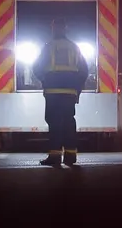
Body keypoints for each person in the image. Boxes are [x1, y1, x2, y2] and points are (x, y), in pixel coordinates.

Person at [31, 18, 89, 167]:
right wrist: (78, 89)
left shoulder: (48, 47)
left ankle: (55, 157)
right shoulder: (74, 47)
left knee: (55, 123)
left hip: (52, 92)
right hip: (70, 93)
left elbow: (36, 68)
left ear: (53, 29)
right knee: (69, 122)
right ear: (65, 29)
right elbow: (84, 71)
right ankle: (70, 156)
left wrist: (44, 80)